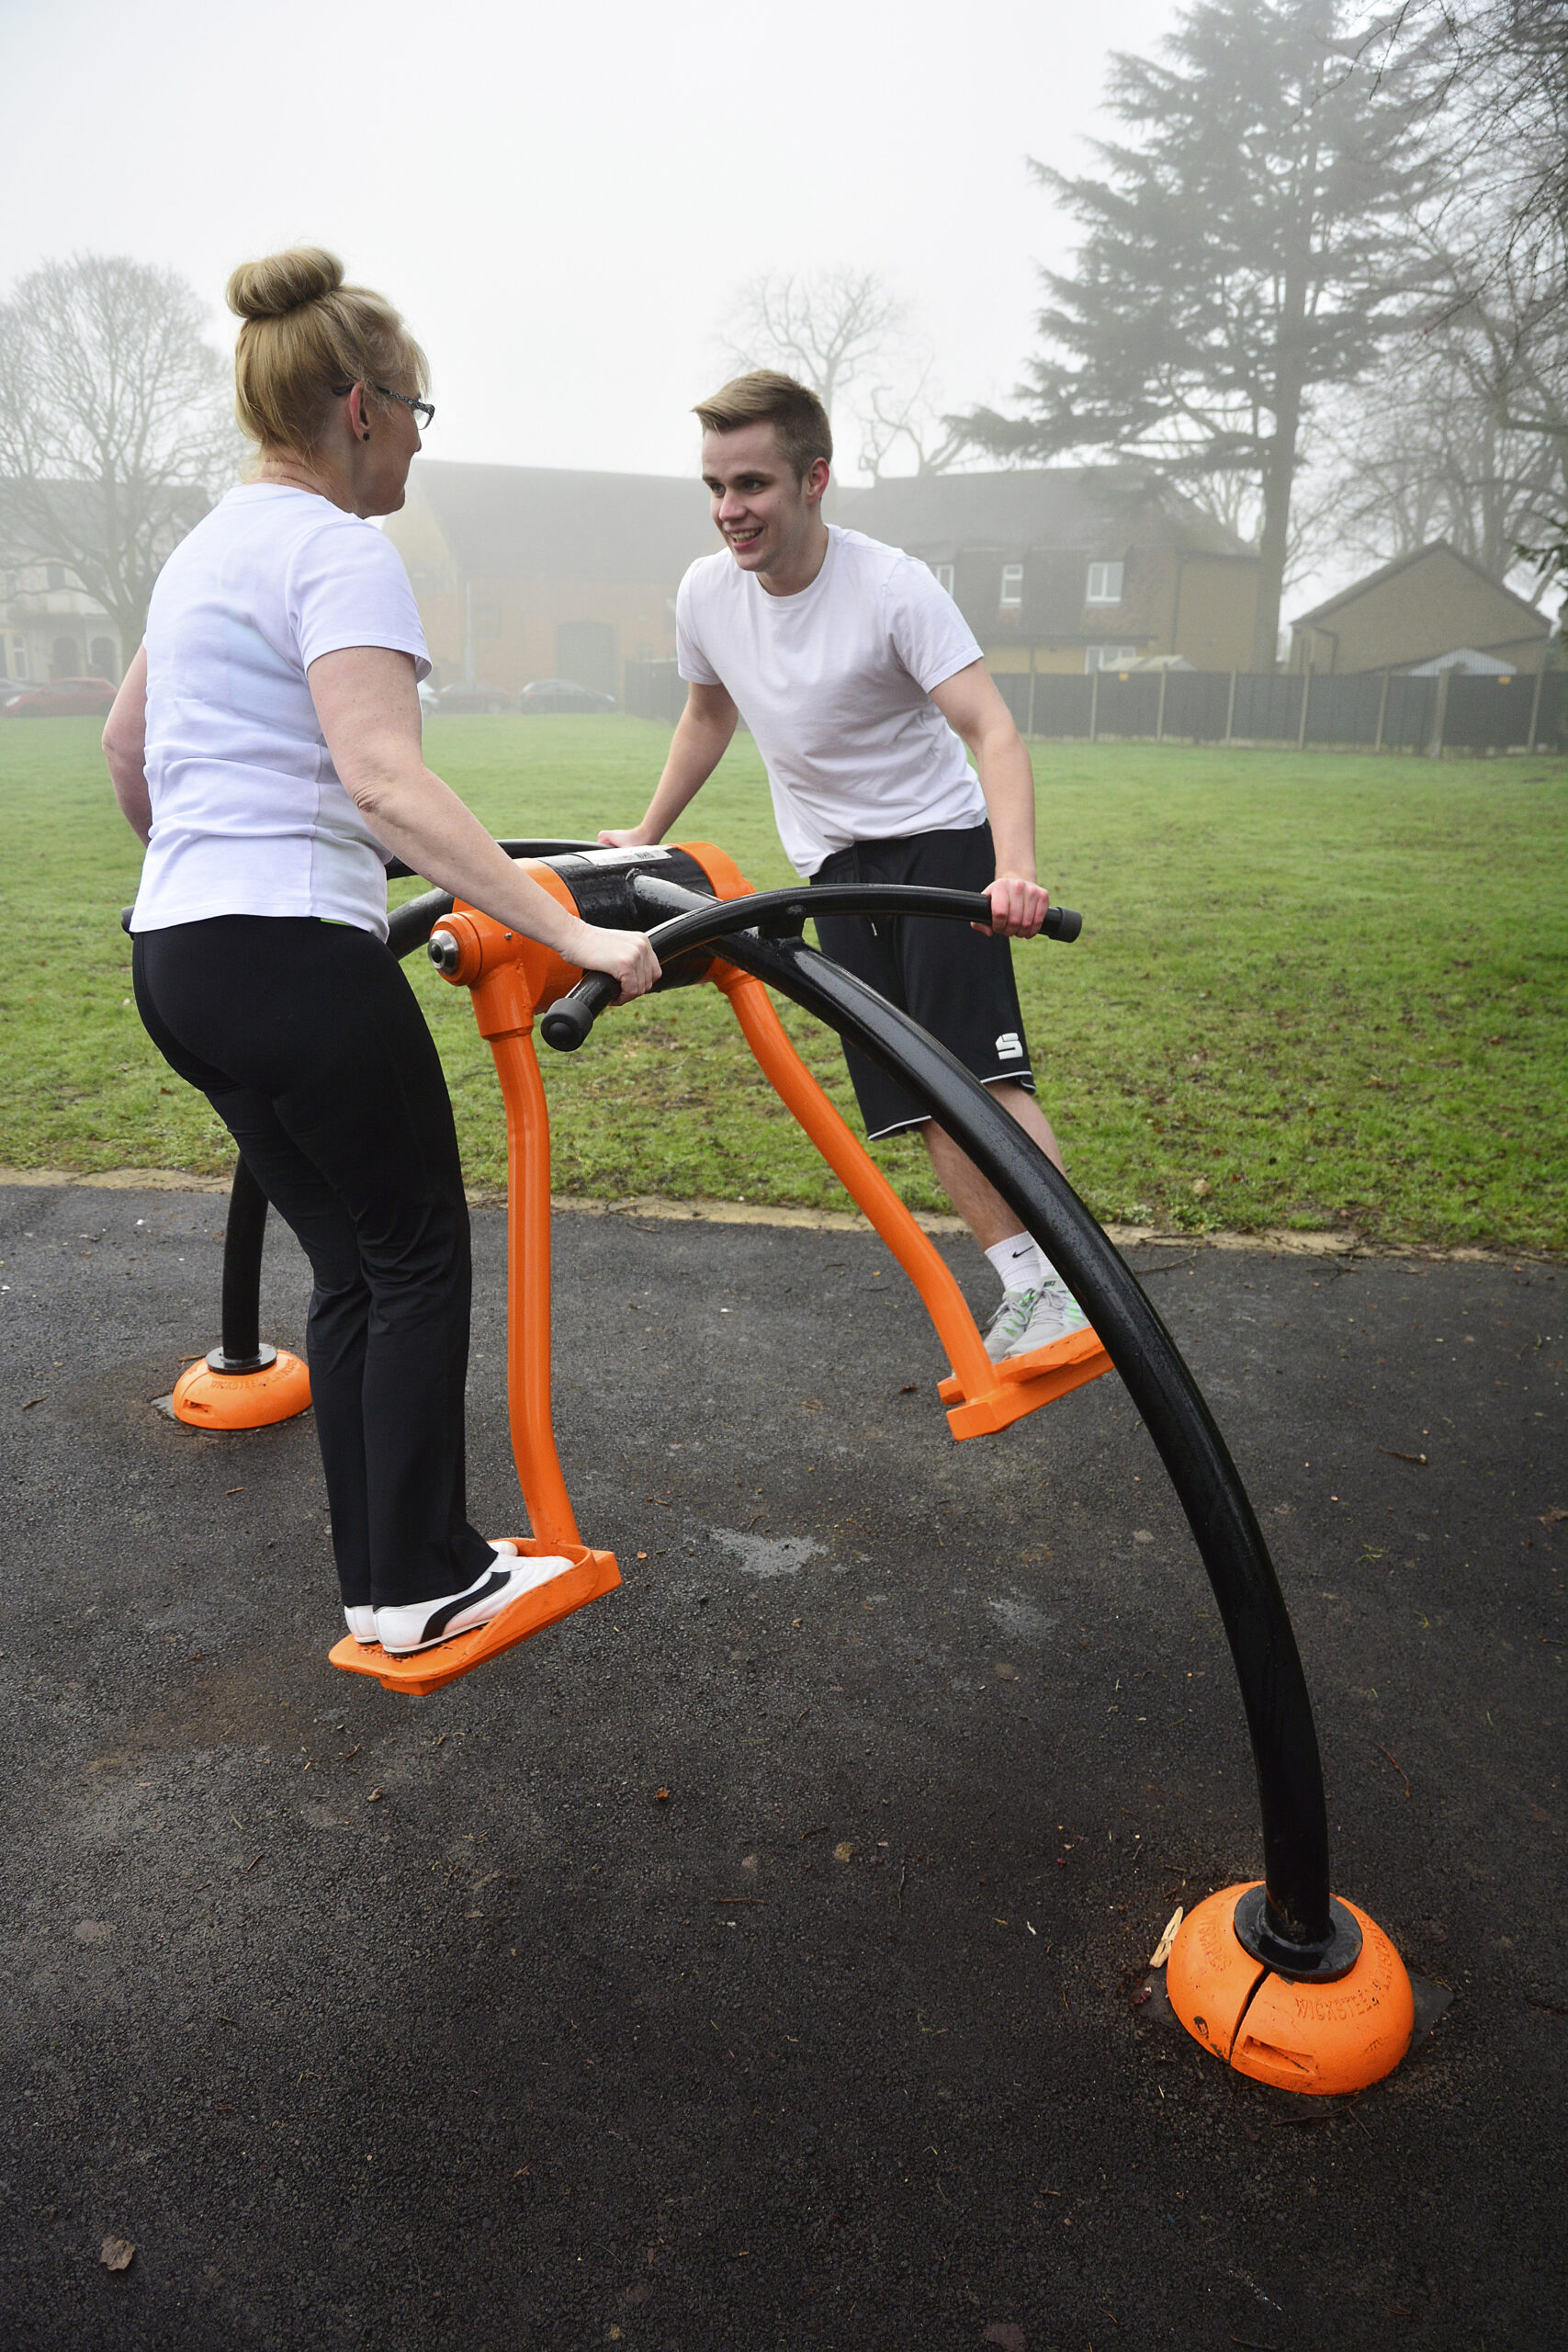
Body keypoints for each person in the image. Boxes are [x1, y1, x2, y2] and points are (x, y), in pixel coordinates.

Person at [103, 248, 659, 1657]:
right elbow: (385, 784)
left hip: (178, 954)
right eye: (416, 407)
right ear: (359, 407)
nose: (419, 434)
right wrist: (573, 925)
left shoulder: (204, 546)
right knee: (413, 1259)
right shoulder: (341, 548)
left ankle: (389, 1582)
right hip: (289, 955)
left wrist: (208, 859)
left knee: (355, 1265)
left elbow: (128, 750)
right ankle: (423, 1580)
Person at [599, 370, 1089, 1360]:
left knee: (979, 1074)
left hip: (940, 848)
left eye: (753, 485)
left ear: (814, 478)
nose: (729, 510)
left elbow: (990, 726)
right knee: (915, 1088)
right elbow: (708, 713)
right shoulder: (705, 592)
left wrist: (1015, 866)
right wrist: (646, 829)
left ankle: (1085, 1279)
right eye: (716, 486)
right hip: (831, 866)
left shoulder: (893, 585)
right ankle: (1033, 1287)